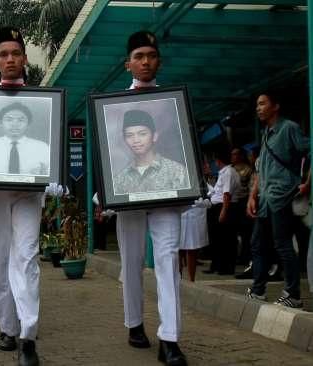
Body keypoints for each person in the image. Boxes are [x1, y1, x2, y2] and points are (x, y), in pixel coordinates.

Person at [93, 31, 206, 366]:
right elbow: (108, 153)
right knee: (130, 261)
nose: (145, 62)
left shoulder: (173, 102)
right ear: (128, 63)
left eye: (151, 56)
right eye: (139, 56)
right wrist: (107, 191)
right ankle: (134, 323)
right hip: (129, 193)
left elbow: (182, 148)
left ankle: (169, 339)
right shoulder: (113, 105)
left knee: (168, 262)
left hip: (167, 194)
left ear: (159, 61)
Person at [0, 27, 67, 366]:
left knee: (27, 257)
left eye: (15, 53)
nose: (10, 59)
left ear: (23, 59)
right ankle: (7, 326)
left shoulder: (42, 104)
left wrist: (55, 179)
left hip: (27, 195)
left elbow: (52, 154)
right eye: (3, 54)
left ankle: (28, 336)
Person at [246, 91, 310, 309]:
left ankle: (293, 295)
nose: (258, 108)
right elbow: (261, 169)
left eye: (262, 103)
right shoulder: (266, 133)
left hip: (281, 195)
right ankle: (258, 291)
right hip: (265, 199)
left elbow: (309, 151)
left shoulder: (289, 128)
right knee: (257, 244)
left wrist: (307, 183)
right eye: (257, 104)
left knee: (282, 245)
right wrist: (252, 196)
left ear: (276, 106)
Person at [113, 109, 188, 195]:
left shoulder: (177, 171)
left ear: (154, 136)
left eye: (142, 134)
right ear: (124, 140)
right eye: (129, 135)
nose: (136, 140)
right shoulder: (119, 180)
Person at [0, 102, 50, 176]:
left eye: (21, 120)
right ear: (1, 123)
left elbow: (51, 178)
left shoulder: (43, 148)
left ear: (28, 124)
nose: (15, 124)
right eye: (9, 119)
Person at [203, 149, 240, 275]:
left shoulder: (228, 172)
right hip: (216, 206)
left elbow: (227, 194)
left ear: (218, 161)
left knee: (226, 239)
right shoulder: (223, 172)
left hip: (224, 207)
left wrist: (223, 212)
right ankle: (216, 265)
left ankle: (226, 267)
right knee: (216, 239)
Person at [231, 148, 254, 266]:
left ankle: (245, 256)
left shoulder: (247, 169)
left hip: (243, 201)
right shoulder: (230, 169)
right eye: (232, 154)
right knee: (233, 232)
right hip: (232, 202)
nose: (233, 157)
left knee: (245, 233)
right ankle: (236, 256)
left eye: (235, 154)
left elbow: (250, 187)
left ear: (241, 156)